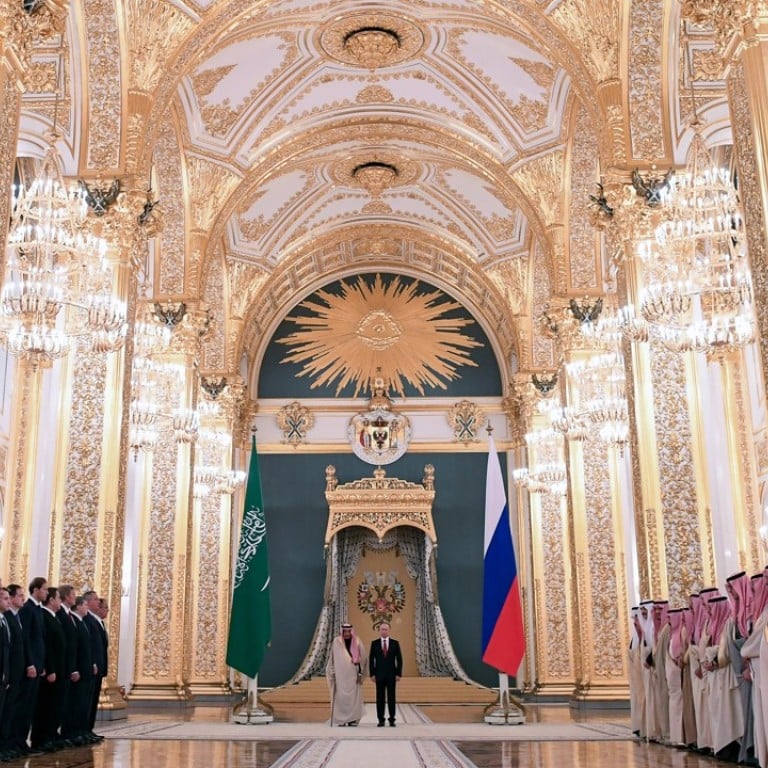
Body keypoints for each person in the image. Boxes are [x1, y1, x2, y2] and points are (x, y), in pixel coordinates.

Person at [326, 623, 367, 727]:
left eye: (349, 631)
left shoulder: (357, 641)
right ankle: (342, 720)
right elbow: (332, 658)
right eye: (345, 631)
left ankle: (353, 720)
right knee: (341, 698)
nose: (347, 633)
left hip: (353, 675)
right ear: (342, 631)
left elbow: (364, 658)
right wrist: (331, 672)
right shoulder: (337, 641)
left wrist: (360, 673)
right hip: (340, 675)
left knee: (353, 698)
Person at [369, 622, 402, 727]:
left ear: (389, 630)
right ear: (379, 630)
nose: (384, 631)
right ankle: (381, 719)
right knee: (380, 698)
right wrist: (372, 674)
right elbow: (371, 660)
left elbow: (399, 659)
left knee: (391, 697)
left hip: (392, 675)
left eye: (385, 629)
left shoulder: (395, 643)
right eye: (382, 629)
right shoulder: (374, 643)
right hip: (379, 675)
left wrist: (398, 673)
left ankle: (392, 719)